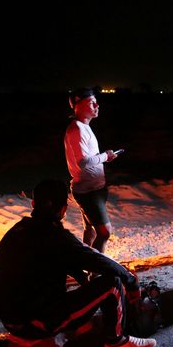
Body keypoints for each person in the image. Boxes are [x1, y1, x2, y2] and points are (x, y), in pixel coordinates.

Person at [0, 179, 156, 347]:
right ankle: (116, 342)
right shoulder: (57, 237)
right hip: (35, 323)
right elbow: (98, 261)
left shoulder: (18, 230)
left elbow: (69, 262)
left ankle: (57, 326)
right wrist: (131, 283)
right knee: (112, 284)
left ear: (34, 204)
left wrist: (87, 286)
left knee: (82, 290)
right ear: (64, 210)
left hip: (10, 321)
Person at [64, 88, 120, 253]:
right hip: (88, 191)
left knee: (90, 229)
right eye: (90, 102)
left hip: (95, 188)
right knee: (104, 232)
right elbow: (84, 163)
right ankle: (95, 272)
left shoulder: (84, 127)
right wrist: (106, 156)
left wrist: (105, 157)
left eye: (95, 101)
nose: (97, 105)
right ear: (77, 106)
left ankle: (87, 264)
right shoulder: (77, 130)